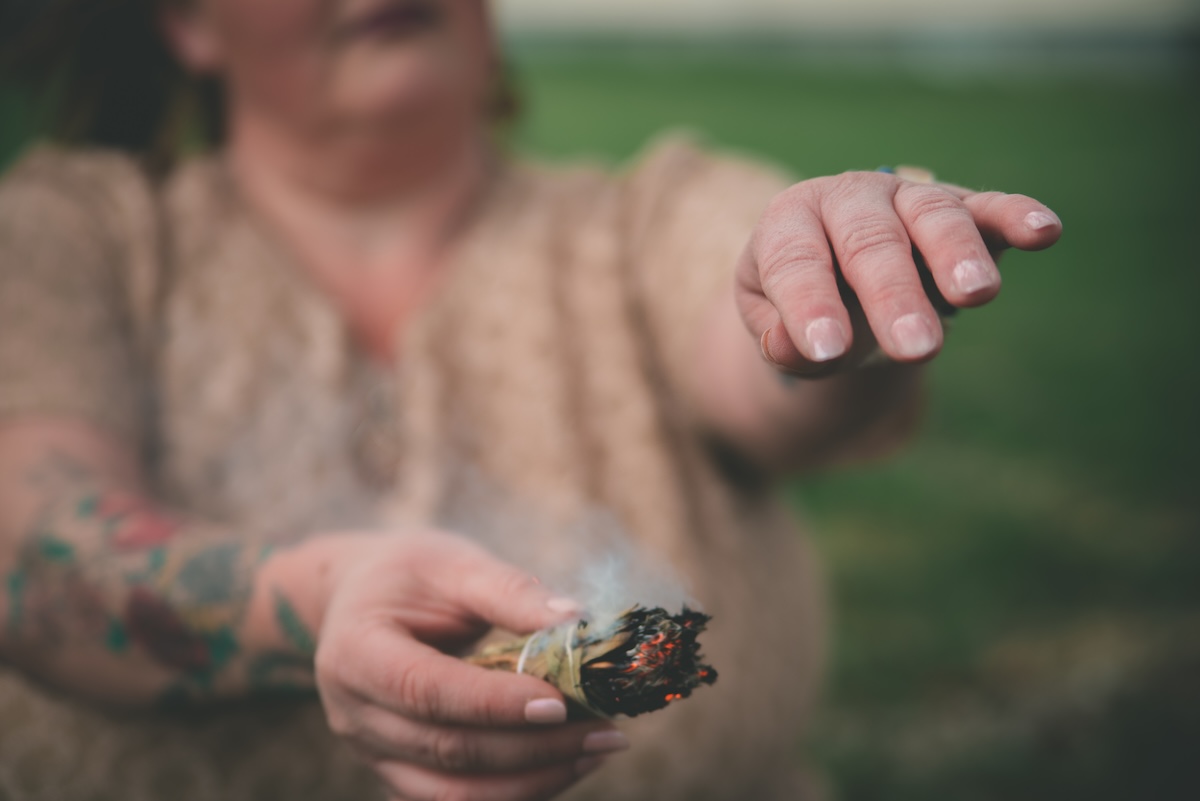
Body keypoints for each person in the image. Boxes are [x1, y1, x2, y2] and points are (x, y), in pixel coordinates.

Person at [0, 1, 1062, 800]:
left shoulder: (639, 223)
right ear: (186, 21)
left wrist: (829, 290)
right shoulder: (71, 239)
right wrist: (316, 604)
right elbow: (35, 552)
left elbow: (766, 353)